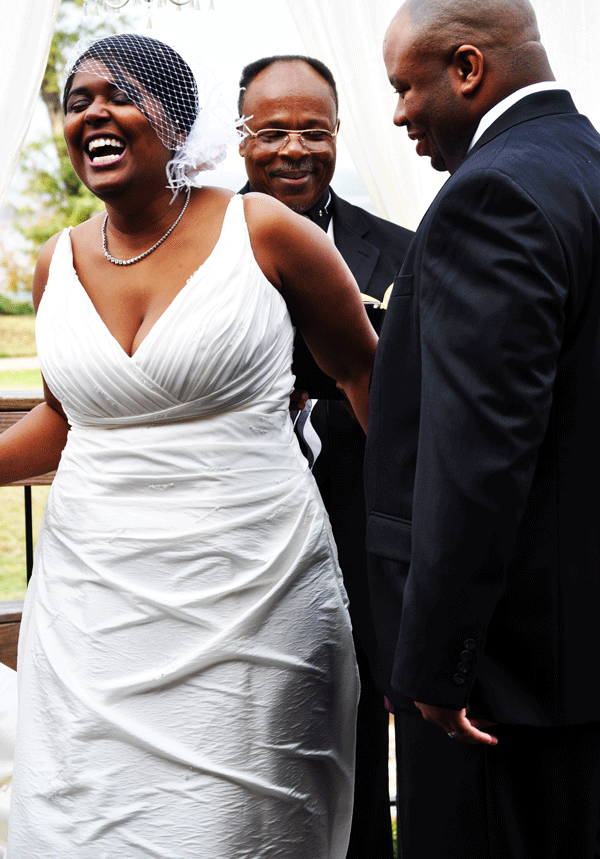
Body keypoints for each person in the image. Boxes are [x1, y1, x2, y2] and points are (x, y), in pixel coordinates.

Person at [3, 33, 378, 859]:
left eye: (118, 94)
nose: (93, 112)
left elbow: (367, 379)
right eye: (76, 100)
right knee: (85, 824)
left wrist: (424, 539)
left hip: (252, 594)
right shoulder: (52, 263)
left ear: (177, 121)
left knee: (232, 828)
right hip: (92, 609)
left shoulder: (265, 231)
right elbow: (65, 420)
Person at [364, 0, 600, 859]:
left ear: (467, 67)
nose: (397, 115)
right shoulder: (583, 165)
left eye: (403, 85)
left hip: (500, 680)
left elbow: (479, 458)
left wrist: (437, 664)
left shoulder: (491, 195)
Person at [238, 54, 413, 859]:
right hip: (237, 561)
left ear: (341, 133)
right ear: (240, 139)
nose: (294, 149)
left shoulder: (405, 252)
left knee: (369, 771)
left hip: (368, 554)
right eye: (272, 131)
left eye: (315, 129)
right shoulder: (197, 250)